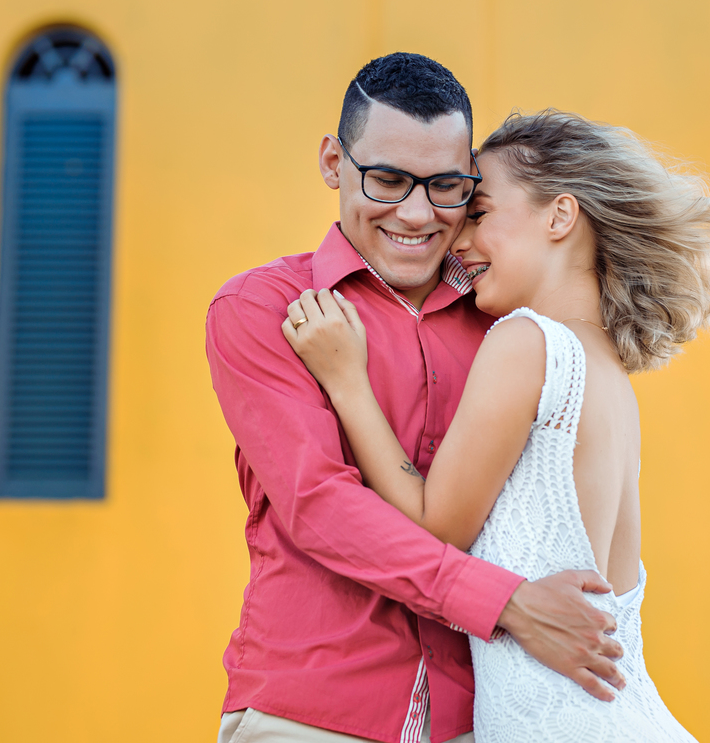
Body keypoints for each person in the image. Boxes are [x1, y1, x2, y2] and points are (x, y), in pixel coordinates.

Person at [283, 109, 710, 741]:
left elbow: (434, 527)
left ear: (560, 217)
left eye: (479, 213)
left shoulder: (525, 343)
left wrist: (347, 381)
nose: (457, 241)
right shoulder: (609, 374)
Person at [206, 55, 624, 743]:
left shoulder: (508, 325)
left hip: (480, 718)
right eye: (389, 179)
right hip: (313, 714)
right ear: (334, 162)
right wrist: (508, 604)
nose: (417, 213)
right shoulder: (265, 309)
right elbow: (320, 506)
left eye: (447, 187)